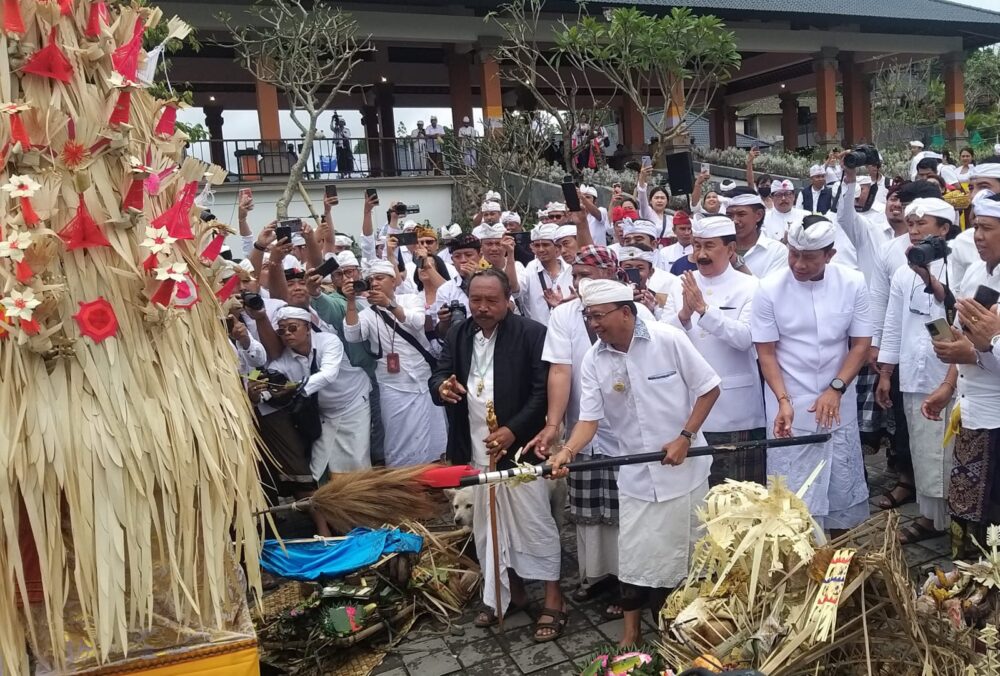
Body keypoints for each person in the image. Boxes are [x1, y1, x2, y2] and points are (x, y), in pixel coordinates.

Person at [548, 278, 721, 647]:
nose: (593, 324)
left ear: (625, 312)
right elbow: (589, 420)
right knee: (635, 559)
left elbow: (709, 388)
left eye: (598, 316)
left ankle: (689, 625)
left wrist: (685, 437)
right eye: (588, 317)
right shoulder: (594, 359)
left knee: (691, 554)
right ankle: (632, 631)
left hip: (685, 473)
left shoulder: (668, 339)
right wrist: (567, 451)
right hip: (637, 477)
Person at [429, 269, 565, 641]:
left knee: (534, 524)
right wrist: (441, 386)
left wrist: (513, 430)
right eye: (476, 300)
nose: (483, 308)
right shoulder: (459, 331)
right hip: (474, 449)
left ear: (508, 300)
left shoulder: (531, 333)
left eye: (492, 301)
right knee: (488, 529)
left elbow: (541, 393)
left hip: (519, 451)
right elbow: (440, 371)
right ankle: (508, 594)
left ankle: (554, 598)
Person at [526, 245, 651, 621]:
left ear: (611, 276)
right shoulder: (565, 314)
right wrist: (554, 423)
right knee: (590, 509)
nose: (579, 282)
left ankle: (632, 585)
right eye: (575, 274)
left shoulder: (633, 312)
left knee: (624, 509)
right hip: (586, 424)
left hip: (629, 427)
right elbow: (561, 370)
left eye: (588, 274)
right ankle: (598, 576)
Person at [752, 216, 873, 533]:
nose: (798, 264)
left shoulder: (853, 282)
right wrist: (782, 399)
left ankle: (840, 560)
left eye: (809, 257)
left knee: (840, 492)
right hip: (787, 398)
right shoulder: (769, 288)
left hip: (838, 396)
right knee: (793, 502)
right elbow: (766, 352)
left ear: (829, 255)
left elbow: (860, 345)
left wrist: (836, 388)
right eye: (794, 253)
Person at [923, 194, 1000, 557]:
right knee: (968, 511)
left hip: (997, 416)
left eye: (987, 228)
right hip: (969, 411)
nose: (978, 236)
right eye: (976, 227)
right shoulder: (974, 272)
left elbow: (981, 345)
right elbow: (961, 335)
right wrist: (947, 383)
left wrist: (983, 348)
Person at [876, 201, 955, 543]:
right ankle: (929, 517)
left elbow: (954, 321)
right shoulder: (903, 272)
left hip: (948, 376)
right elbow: (894, 323)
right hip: (912, 374)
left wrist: (932, 281)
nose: (915, 229)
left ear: (943, 230)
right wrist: (886, 372)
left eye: (922, 223)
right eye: (910, 223)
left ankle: (954, 520)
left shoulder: (958, 267)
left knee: (949, 451)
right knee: (922, 448)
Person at [666, 215, 766, 485]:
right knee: (698, 501)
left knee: (741, 500)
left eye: (709, 246)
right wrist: (684, 316)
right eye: (696, 246)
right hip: (688, 408)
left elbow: (746, 338)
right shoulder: (679, 284)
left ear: (731, 250)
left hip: (735, 410)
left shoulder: (751, 287)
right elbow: (662, 338)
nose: (701, 254)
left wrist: (704, 311)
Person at [344, 260, 445, 467]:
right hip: (393, 385)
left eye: (380, 278)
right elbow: (352, 335)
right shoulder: (366, 313)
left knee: (433, 435)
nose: (374, 283)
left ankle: (435, 478)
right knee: (399, 436)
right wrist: (351, 302)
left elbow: (416, 322)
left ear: (393, 281)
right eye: (371, 279)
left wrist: (389, 305)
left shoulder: (410, 299)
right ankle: (405, 481)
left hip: (424, 380)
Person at [267, 306, 373, 481]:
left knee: (356, 459)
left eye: (292, 327)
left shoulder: (329, 341)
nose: (287, 333)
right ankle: (333, 500)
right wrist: (261, 391)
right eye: (281, 330)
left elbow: (328, 374)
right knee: (321, 461)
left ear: (308, 328)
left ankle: (362, 500)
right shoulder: (286, 358)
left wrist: (296, 387)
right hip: (325, 413)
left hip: (353, 403)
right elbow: (270, 378)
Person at [724, 187, 786, 278]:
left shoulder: (777, 251)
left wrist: (736, 262)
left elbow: (770, 291)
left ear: (758, 215)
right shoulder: (718, 248)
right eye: (729, 215)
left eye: (741, 214)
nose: (735, 221)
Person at [518, 223, 573, 324]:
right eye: (537, 245)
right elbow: (516, 290)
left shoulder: (570, 268)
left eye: (546, 245)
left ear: (557, 247)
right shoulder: (530, 268)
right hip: (540, 333)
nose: (541, 250)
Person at [618, 245, 681, 321]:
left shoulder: (661, 299)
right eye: (628, 268)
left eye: (640, 268)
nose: (635, 273)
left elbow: (667, 326)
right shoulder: (610, 296)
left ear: (650, 272)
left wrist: (652, 310)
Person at [636, 165, 671, 238]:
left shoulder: (671, 219)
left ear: (667, 201)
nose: (659, 200)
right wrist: (642, 177)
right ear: (650, 201)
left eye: (662, 198)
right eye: (656, 198)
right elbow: (642, 197)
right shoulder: (647, 213)